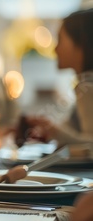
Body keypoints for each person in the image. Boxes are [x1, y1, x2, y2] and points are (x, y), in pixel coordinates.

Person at [25, 9, 93, 145]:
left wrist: (55, 132)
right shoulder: (84, 85)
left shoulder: (88, 88)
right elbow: (73, 130)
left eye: (60, 40)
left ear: (81, 43)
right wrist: (50, 129)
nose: (55, 49)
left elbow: (90, 147)